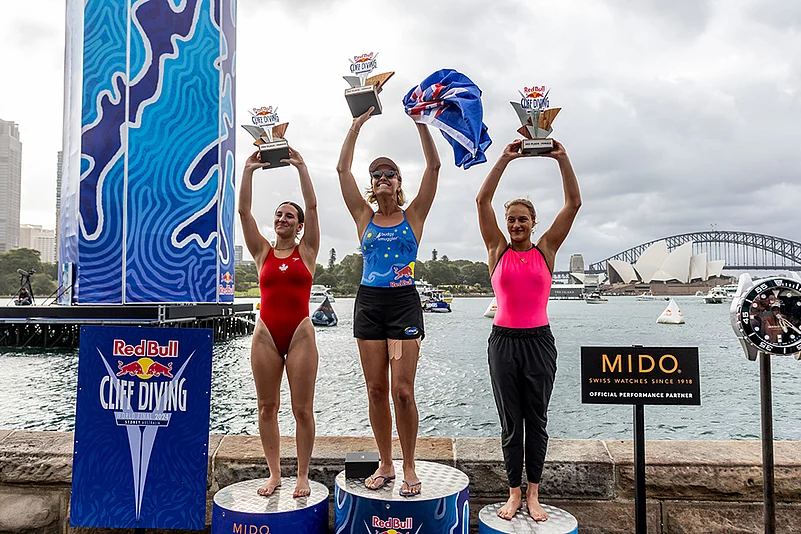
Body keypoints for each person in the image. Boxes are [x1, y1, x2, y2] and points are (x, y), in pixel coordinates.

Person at [336, 106, 441, 497]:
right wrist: (356, 124)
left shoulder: (414, 216)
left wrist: (421, 123)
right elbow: (342, 171)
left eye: (390, 174)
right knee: (376, 390)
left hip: (403, 303)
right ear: (372, 185)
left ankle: (409, 464)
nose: (382, 178)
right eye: (376, 175)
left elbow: (433, 168)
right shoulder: (363, 216)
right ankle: (385, 462)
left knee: (403, 391)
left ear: (398, 184)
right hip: (369, 303)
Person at [476, 139, 581, 521]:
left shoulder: (546, 250)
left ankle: (534, 493)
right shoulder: (497, 250)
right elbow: (482, 202)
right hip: (503, 343)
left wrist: (561, 158)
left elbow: (573, 204)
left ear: (533, 223)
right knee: (510, 423)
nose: (516, 225)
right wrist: (504, 158)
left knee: (536, 421)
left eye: (523, 219)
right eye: (511, 220)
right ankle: (514, 493)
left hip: (539, 343)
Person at [238, 147, 320, 498]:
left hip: (300, 333)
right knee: (266, 407)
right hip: (266, 335)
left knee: (302, 409)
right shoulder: (262, 252)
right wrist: (248, 171)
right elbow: (243, 211)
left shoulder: (307, 251)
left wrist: (301, 168)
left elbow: (312, 207)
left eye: (290, 216)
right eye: (279, 214)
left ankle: (302, 475)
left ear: (299, 226)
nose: (283, 219)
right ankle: (274, 474)